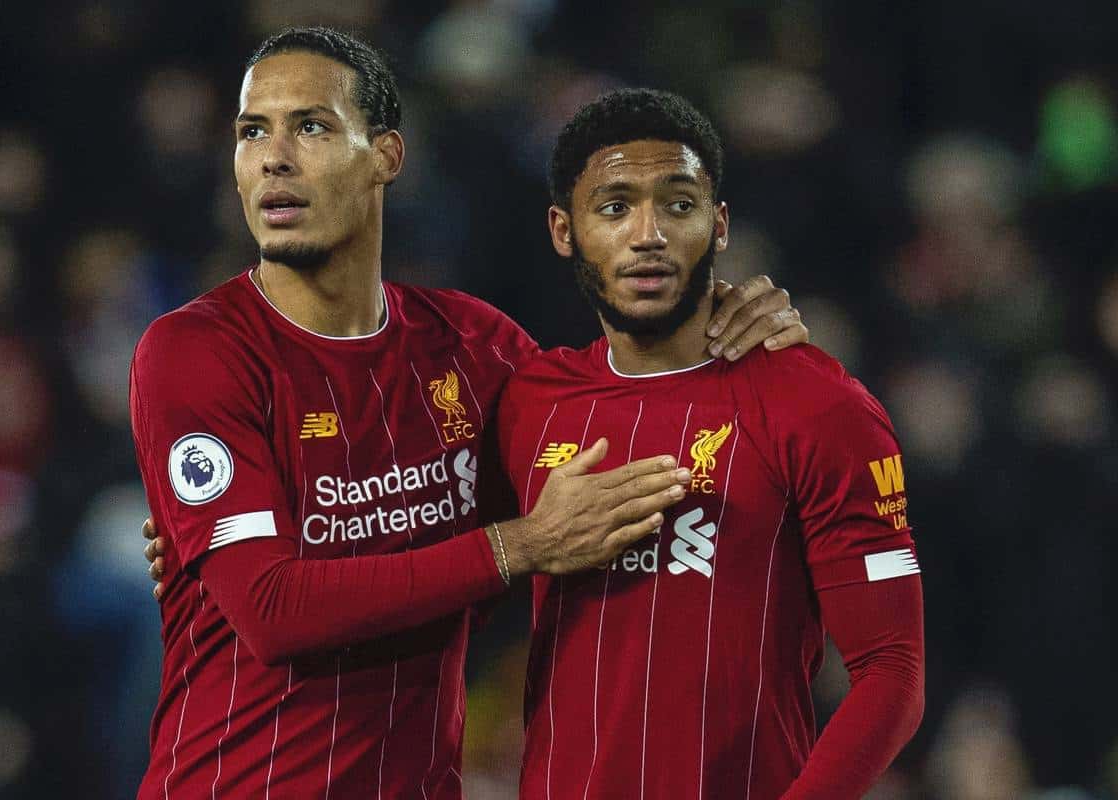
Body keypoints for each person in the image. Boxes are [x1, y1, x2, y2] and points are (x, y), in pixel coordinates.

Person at [130, 27, 809, 799]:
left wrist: (739, 348)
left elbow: (646, 461)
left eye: (311, 126)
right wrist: (521, 545)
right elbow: (273, 611)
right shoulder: (194, 351)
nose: (274, 156)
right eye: (254, 131)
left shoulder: (476, 347)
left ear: (387, 155)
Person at [493, 89, 924, 799]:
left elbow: (893, 671)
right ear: (563, 230)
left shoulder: (818, 406)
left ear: (718, 226)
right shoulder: (523, 402)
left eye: (679, 204)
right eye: (614, 207)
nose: (648, 233)